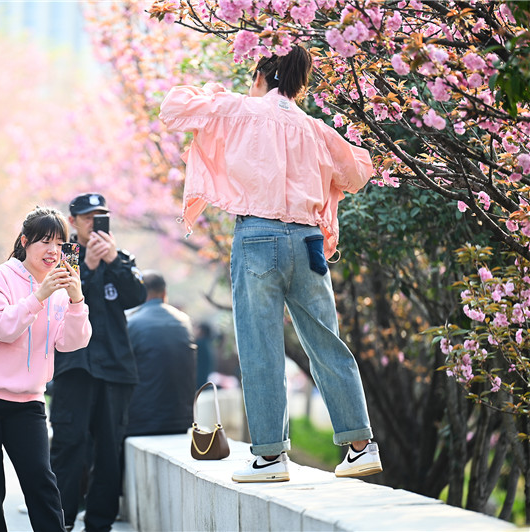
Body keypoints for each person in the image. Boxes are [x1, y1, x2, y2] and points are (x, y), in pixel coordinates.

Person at [160, 44, 383, 483]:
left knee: (261, 347)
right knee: (326, 343)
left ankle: (269, 457)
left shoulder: (238, 108)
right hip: (308, 241)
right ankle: (360, 446)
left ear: (261, 77)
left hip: (258, 236)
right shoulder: (314, 128)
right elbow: (359, 171)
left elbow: (174, 109)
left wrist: (215, 90)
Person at [0, 207, 91, 532]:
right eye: (45, 241)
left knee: (41, 483)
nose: (53, 251)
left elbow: (73, 342)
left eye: (60, 244)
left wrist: (75, 300)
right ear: (25, 242)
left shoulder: (62, 286)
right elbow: (2, 328)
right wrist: (39, 295)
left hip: (27, 401)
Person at [50, 193, 147, 532]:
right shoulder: (64, 257)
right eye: (89, 218)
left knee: (109, 453)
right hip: (74, 368)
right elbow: (59, 303)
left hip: (116, 369)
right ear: (73, 222)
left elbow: (136, 297)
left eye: (101, 217)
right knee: (68, 446)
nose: (95, 224)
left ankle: (99, 525)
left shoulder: (121, 258)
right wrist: (87, 268)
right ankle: (60, 521)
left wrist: (113, 260)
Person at [125, 270, 196, 437]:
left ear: (140, 292)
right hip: (182, 419)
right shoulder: (184, 321)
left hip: (141, 420)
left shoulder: (132, 323)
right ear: (164, 292)